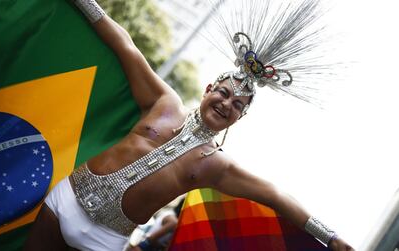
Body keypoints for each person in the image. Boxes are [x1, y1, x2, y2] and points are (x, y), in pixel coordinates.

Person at [24, 0, 354, 250]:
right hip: (66, 199)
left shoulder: (218, 165)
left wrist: (331, 237)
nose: (227, 104)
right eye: (224, 93)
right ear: (209, 89)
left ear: (241, 116)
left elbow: (277, 196)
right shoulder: (164, 103)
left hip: (105, 239)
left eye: (237, 104)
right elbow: (126, 47)